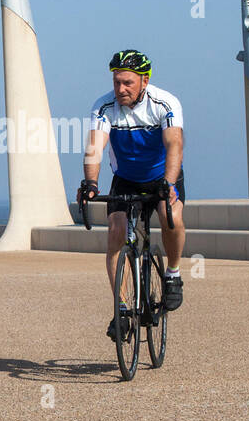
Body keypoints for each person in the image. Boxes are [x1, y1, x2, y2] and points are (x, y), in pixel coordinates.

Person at [77, 49, 186, 340]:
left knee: (170, 215)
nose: (120, 88)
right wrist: (90, 182)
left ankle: (173, 274)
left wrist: (169, 182)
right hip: (125, 177)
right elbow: (95, 147)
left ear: (144, 80)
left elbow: (174, 144)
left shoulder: (164, 103)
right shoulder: (104, 106)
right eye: (116, 82)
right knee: (116, 231)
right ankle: (123, 308)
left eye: (127, 82)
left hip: (162, 175)